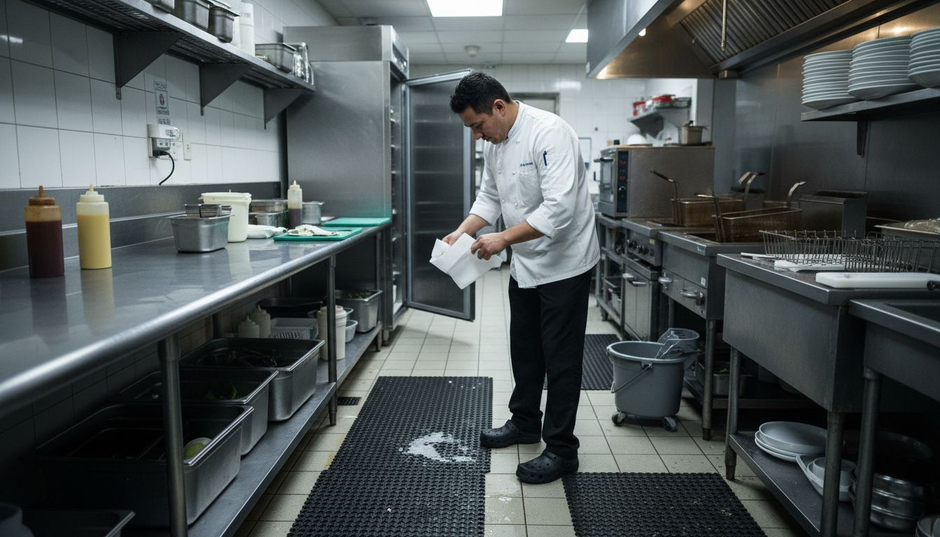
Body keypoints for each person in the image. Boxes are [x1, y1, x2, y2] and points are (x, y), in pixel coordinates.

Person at [444, 72, 599, 484]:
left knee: (561, 359)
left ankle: (563, 450)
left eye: (477, 125)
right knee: (525, 349)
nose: (477, 136)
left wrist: (502, 239)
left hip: (566, 263)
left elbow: (559, 208)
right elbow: (490, 197)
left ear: (499, 105)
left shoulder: (549, 133)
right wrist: (463, 231)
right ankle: (525, 422)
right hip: (527, 263)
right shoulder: (496, 144)